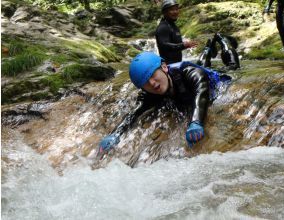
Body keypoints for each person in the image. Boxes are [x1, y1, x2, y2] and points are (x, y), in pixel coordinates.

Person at [96, 51, 231, 159]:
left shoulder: (190, 73)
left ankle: (209, 50)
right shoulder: (148, 93)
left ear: (164, 67)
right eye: (146, 83)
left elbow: (201, 91)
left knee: (215, 64)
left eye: (153, 75)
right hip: (183, 97)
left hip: (219, 86)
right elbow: (135, 113)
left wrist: (196, 122)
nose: (153, 84)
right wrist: (115, 134)